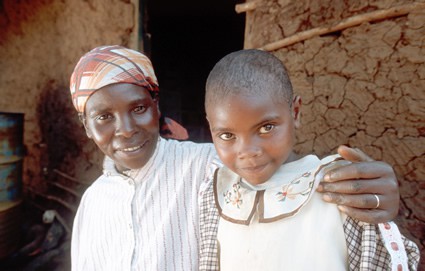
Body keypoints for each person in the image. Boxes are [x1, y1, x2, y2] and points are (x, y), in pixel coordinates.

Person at [69, 45, 403, 270]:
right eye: (103, 118)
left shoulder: (210, 170)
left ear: (157, 107)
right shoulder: (92, 204)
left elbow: (277, 171)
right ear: (86, 126)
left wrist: (374, 196)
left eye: (139, 108)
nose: (125, 129)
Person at [199, 49, 419, 270]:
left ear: (295, 112)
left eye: (267, 128)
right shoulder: (217, 192)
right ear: (211, 128)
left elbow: (380, 260)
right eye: (227, 135)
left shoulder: (338, 185)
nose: (247, 151)